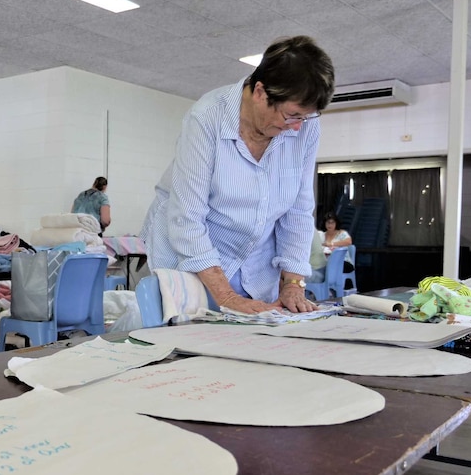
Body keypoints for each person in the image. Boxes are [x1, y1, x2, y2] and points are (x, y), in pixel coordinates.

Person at [140, 35, 334, 314]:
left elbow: (298, 210)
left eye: (305, 118)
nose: (296, 128)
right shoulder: (206, 118)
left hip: (254, 262)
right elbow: (186, 219)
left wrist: (293, 283)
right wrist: (228, 298)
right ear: (260, 92)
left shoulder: (304, 128)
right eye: (291, 115)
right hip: (189, 256)